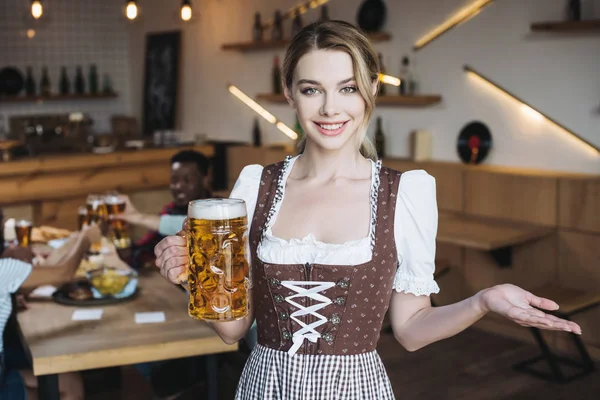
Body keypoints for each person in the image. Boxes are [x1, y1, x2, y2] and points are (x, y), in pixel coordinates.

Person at [153, 21, 581, 399]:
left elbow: (411, 329)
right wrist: (190, 278)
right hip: (266, 386)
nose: (329, 109)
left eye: (348, 87)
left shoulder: (404, 194)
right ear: (289, 94)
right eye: (311, 90)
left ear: (372, 89)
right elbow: (232, 329)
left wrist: (482, 301)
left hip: (354, 389)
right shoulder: (254, 187)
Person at [1, 222, 101, 400]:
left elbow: (26, 287)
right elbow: (64, 273)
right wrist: (85, 240)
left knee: (67, 380)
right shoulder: (4, 269)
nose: (5, 222)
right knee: (56, 384)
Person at [120, 150, 212, 268]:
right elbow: (139, 256)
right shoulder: (170, 210)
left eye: (187, 180)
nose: (178, 186)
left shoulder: (220, 213)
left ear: (205, 180)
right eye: (174, 180)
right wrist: (120, 236)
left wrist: (136, 217)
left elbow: (197, 227)